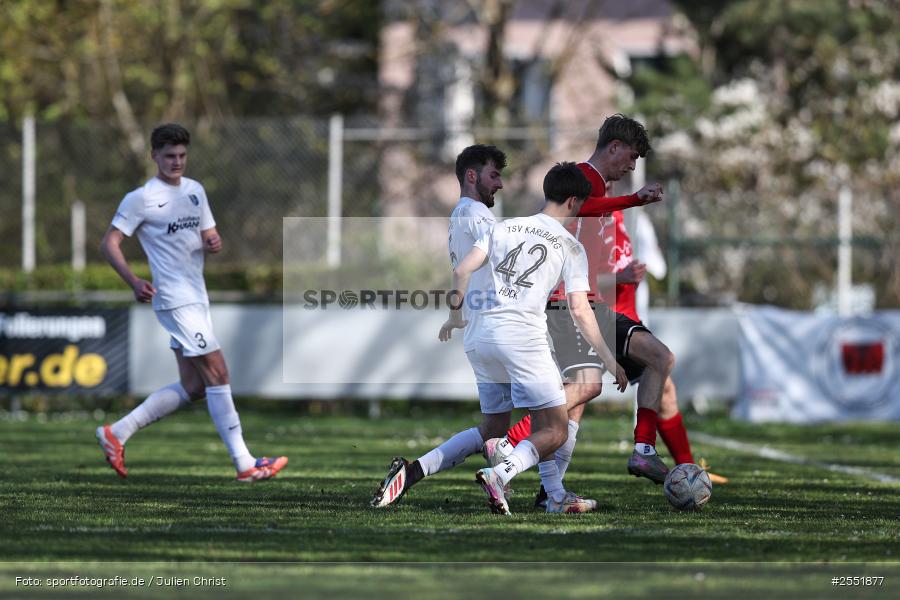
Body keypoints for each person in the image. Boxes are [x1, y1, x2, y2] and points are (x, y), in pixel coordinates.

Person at [371, 161, 627, 514]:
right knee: (554, 429)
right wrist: (611, 362)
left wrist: (454, 316)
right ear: (573, 202)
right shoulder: (570, 246)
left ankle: (414, 471)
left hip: (480, 336)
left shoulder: (504, 227)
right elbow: (581, 310)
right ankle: (501, 475)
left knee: (494, 427)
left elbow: (462, 269)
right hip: (522, 338)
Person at [484, 115, 678, 500]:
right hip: (568, 307)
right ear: (614, 147)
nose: (632, 167)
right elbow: (587, 207)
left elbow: (587, 252)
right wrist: (635, 200)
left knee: (596, 392)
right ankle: (512, 442)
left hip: (593, 303)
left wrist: (616, 278)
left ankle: (557, 487)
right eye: (632, 157)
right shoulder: (585, 178)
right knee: (591, 386)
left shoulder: (597, 190)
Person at [96, 123, 287, 482]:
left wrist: (214, 242)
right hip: (173, 300)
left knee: (196, 387)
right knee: (219, 373)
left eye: (182, 155)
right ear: (154, 155)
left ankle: (116, 433)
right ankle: (245, 464)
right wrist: (134, 281)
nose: (177, 162)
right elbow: (110, 243)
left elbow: (208, 235)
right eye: (169, 156)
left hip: (196, 297)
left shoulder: (195, 191)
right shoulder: (141, 198)